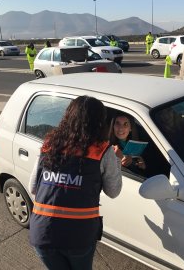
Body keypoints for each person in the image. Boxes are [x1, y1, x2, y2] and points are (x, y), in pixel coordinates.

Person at [28, 96, 122, 270]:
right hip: (79, 236)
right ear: (100, 122)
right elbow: (113, 191)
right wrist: (116, 161)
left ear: (67, 117)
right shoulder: (102, 150)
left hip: (43, 234)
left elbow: (33, 187)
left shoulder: (49, 145)